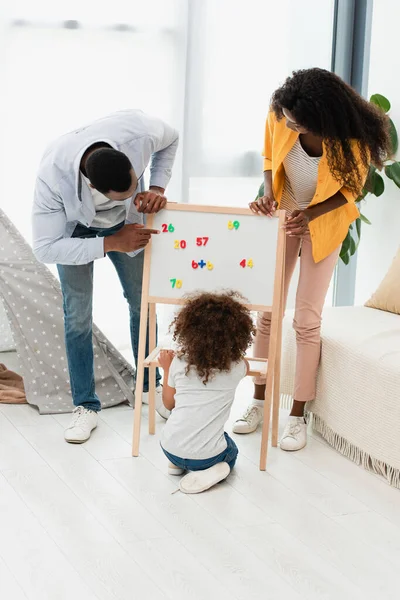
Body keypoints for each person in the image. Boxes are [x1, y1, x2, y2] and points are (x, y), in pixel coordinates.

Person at [233, 68, 391, 451]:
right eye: (285, 116)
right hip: (284, 220)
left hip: (324, 226)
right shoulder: (280, 113)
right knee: (268, 312)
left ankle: (297, 414)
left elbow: (353, 189)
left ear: (321, 119)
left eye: (295, 120)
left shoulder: (350, 140)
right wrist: (268, 193)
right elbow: (270, 157)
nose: (287, 122)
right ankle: (258, 400)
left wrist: (312, 215)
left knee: (307, 319)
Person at [32, 110, 179, 443]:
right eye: (123, 196)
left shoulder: (137, 132)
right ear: (92, 186)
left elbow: (172, 138)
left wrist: (155, 186)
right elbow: (45, 249)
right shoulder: (53, 179)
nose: (132, 198)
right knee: (78, 317)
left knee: (143, 302)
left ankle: (147, 387)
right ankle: (86, 406)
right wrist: (112, 242)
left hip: (126, 229)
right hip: (72, 234)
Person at [158, 292, 254, 494]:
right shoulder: (236, 367)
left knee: (191, 432)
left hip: (169, 448)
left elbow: (168, 405)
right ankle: (213, 469)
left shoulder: (178, 363)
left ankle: (177, 465)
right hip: (207, 457)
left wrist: (166, 369)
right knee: (231, 449)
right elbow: (245, 363)